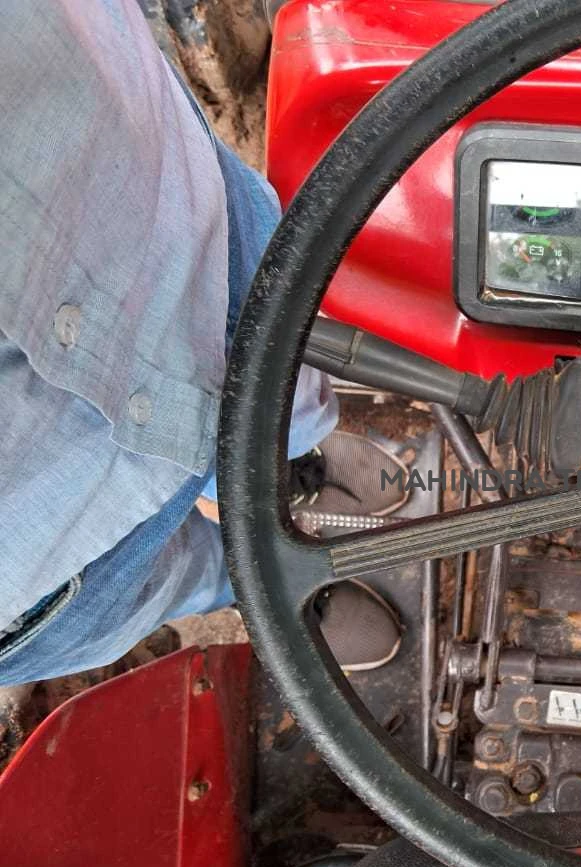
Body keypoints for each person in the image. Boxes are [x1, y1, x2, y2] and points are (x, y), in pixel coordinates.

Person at [0, 0, 404, 685]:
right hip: (34, 554)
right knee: (156, 583)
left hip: (123, 179)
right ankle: (263, 581)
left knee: (262, 336)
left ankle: (297, 458)